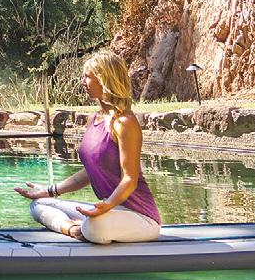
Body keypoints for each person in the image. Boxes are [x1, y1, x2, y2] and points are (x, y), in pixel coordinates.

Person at [16, 50, 161, 244]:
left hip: (140, 217)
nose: (82, 81)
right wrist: (50, 191)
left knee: (96, 226)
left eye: (87, 77)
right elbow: (90, 172)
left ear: (104, 80)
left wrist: (107, 205)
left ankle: (84, 227)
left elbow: (129, 179)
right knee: (39, 204)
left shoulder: (124, 122)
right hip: (109, 211)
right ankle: (73, 229)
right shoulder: (94, 119)